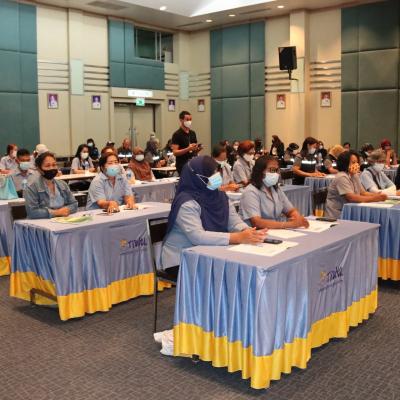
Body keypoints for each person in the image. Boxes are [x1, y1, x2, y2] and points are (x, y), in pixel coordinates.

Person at [161, 156, 268, 272]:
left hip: (209, 253)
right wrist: (237, 237)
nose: (217, 175)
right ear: (197, 176)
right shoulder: (186, 202)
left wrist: (248, 231)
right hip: (181, 259)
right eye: (212, 173)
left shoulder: (219, 195)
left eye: (217, 171)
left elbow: (234, 222)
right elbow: (197, 237)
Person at [240, 155, 309, 229]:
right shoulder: (250, 192)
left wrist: (297, 218)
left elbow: (290, 210)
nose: (276, 173)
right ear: (260, 171)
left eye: (277, 170)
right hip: (256, 233)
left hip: (275, 231)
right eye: (272, 170)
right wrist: (290, 224)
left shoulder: (276, 189)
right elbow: (257, 222)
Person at [325, 151, 387, 219]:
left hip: (351, 211)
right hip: (337, 215)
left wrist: (377, 195)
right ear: (345, 163)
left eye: (357, 162)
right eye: (353, 162)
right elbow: (351, 197)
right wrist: (374, 198)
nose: (357, 165)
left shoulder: (354, 175)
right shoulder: (341, 177)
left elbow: (363, 193)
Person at [24, 152, 78, 219]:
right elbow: (32, 212)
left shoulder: (63, 184)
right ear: (39, 169)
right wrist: (56, 213)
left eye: (54, 165)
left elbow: (74, 204)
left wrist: (66, 210)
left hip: (62, 220)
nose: (52, 168)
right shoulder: (31, 187)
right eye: (47, 166)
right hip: (41, 223)